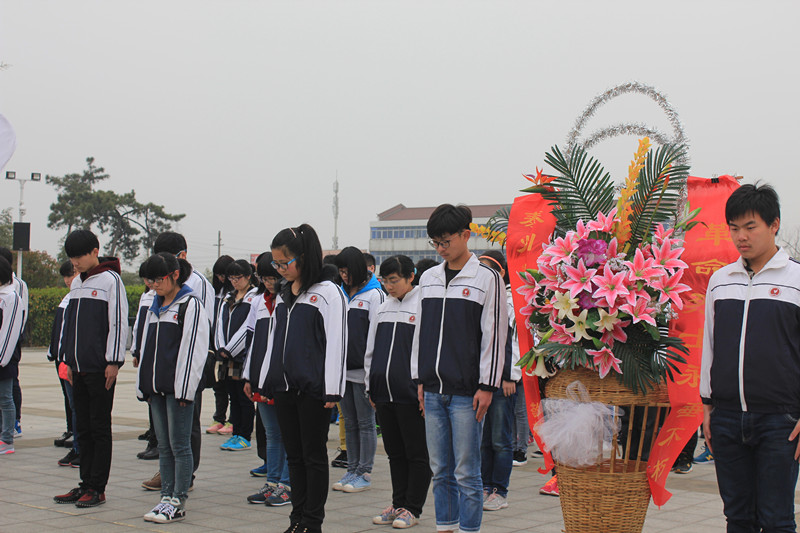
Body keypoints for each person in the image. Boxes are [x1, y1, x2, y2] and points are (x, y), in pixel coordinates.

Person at [701, 183, 800, 532]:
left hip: (780, 421)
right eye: (734, 228)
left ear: (774, 225)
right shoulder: (721, 280)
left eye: (750, 226)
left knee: (776, 519)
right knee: (738, 518)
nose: (741, 236)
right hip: (727, 418)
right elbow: (709, 345)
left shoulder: (796, 279)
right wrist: (707, 406)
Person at [411, 204, 508, 533]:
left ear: (466, 235)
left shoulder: (487, 278)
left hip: (468, 393)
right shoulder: (428, 278)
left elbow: (494, 337)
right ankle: (446, 526)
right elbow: (421, 333)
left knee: (467, 472)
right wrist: (420, 380)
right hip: (434, 391)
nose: (440, 248)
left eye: (445, 240)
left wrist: (487, 386)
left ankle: (469, 529)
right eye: (434, 242)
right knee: (441, 471)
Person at [258, 224, 347, 533]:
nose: (281, 269)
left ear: (304, 257)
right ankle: (296, 520)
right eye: (276, 264)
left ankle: (313, 522)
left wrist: (333, 390)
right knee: (294, 457)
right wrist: (266, 380)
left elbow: (337, 342)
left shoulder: (327, 292)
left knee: (313, 457)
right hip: (284, 388)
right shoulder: (283, 295)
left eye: (285, 263)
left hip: (315, 391)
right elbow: (273, 339)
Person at [53, 229, 128, 507]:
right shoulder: (76, 284)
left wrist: (113, 361)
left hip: (100, 369)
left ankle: (98, 487)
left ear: (95, 252)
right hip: (77, 368)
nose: (75, 263)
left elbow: (119, 323)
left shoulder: (111, 281)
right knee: (81, 427)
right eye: (72, 258)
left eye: (79, 257)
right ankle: (84, 483)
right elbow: (69, 326)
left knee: (99, 427)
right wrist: (67, 361)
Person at [136, 252, 209, 524]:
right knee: (164, 446)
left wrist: (184, 390)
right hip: (156, 389)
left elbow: (194, 350)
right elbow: (145, 348)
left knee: (180, 445)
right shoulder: (154, 305)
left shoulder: (189, 305)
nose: (154, 285)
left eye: (158, 279)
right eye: (149, 280)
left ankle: (178, 499)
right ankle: (165, 496)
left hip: (178, 391)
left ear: (175, 275)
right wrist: (143, 386)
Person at [365, 254, 431, 529]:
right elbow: (371, 349)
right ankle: (398, 501)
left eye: (394, 280)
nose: (389, 286)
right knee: (394, 452)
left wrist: (422, 385)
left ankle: (412, 507)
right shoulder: (382, 307)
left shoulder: (424, 305)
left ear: (410, 277)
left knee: (416, 453)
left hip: (409, 393)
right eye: (385, 280)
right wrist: (370, 385)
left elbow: (425, 351)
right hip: (383, 392)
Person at [332, 246, 384, 493]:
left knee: (365, 423)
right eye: (340, 271)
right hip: (343, 371)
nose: (344, 276)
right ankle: (351, 469)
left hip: (364, 372)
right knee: (349, 422)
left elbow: (377, 336)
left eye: (347, 271)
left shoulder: (374, 295)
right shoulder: (339, 293)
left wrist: (371, 374)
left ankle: (364, 471)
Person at [243, 253, 292, 506]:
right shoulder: (257, 302)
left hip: (281, 378)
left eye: (273, 277)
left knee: (286, 433)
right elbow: (252, 341)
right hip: (260, 377)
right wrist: (248, 375)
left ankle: (287, 483)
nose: (270, 282)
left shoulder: (289, 299)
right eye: (265, 278)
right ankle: (272, 482)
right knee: (272, 434)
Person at [477, 250, 519, 512]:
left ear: (501, 271)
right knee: (482, 439)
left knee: (500, 439)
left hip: (504, 381)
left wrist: (508, 375)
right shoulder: (482, 295)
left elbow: (513, 341)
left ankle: (499, 490)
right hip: (481, 380)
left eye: (488, 268)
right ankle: (483, 486)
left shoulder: (512, 299)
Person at [215, 259, 258, 451]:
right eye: (231, 277)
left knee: (244, 397)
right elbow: (219, 324)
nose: (234, 281)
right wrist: (220, 347)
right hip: (227, 356)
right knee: (232, 395)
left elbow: (247, 328)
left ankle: (245, 435)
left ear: (248, 277)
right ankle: (235, 433)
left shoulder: (254, 297)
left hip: (242, 356)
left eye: (238, 277)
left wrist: (231, 349)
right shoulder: (228, 297)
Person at [50, 260, 81, 467]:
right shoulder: (67, 298)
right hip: (62, 360)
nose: (68, 280)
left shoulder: (80, 297)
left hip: (74, 361)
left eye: (71, 275)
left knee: (78, 406)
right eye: (66, 276)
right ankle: (76, 444)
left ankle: (80, 448)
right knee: (71, 403)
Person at [132, 263, 159, 462]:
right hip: (143, 353)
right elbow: (138, 328)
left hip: (155, 355)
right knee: (148, 396)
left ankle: (157, 442)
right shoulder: (146, 296)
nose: (148, 283)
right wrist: (135, 350)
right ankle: (153, 435)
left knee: (154, 397)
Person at [0, 246, 26, 438]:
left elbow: (20, 316)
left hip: (10, 344)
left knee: (9, 389)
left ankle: (12, 427)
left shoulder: (16, 287)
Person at [207, 255, 234, 435]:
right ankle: (219, 417)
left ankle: (233, 420)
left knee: (233, 385)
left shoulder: (234, 295)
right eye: (218, 275)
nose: (222, 279)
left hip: (231, 347)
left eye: (224, 275)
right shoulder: (214, 293)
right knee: (219, 384)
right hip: (215, 344)